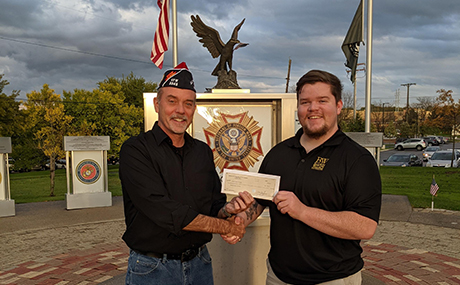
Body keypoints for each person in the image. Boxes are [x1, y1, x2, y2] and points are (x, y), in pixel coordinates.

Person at [225, 69, 382, 284]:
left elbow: (365, 226)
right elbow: (260, 202)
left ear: (338, 106)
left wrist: (303, 211)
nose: (312, 108)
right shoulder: (279, 153)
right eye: (305, 101)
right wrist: (240, 220)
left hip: (332, 278)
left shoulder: (357, 159)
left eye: (322, 100)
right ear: (298, 107)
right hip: (278, 276)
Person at [119, 62, 254, 285]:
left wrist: (227, 211)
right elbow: (165, 211)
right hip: (153, 269)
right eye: (172, 101)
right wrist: (227, 227)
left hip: (199, 263)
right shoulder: (136, 150)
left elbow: (213, 204)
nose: (180, 110)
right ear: (157, 103)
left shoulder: (202, 151)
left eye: (188, 103)